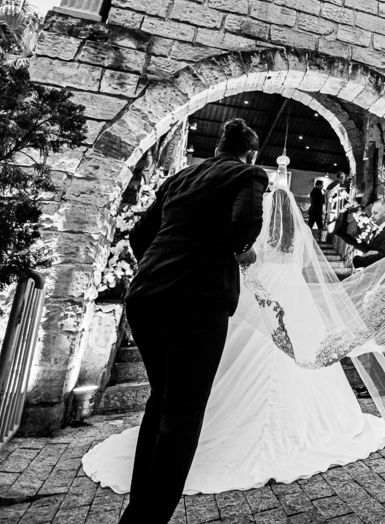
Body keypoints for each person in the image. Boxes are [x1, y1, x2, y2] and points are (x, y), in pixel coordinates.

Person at [83, 148, 385, 506]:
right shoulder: (290, 226)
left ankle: (159, 477)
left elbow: (243, 251)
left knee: (185, 390)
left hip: (235, 291)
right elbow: (302, 262)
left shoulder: (244, 212)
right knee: (283, 354)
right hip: (287, 289)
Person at [116, 119, 269, 524]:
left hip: (146, 296)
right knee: (182, 415)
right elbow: (244, 224)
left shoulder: (179, 178)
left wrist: (162, 267)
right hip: (196, 302)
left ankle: (137, 512)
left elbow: (138, 236)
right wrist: (239, 251)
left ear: (219, 145)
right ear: (250, 153)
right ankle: (147, 521)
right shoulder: (248, 174)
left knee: (160, 402)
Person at [351, 200, 385, 269]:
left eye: (375, 213)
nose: (372, 216)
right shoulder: (384, 229)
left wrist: (358, 260)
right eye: (372, 213)